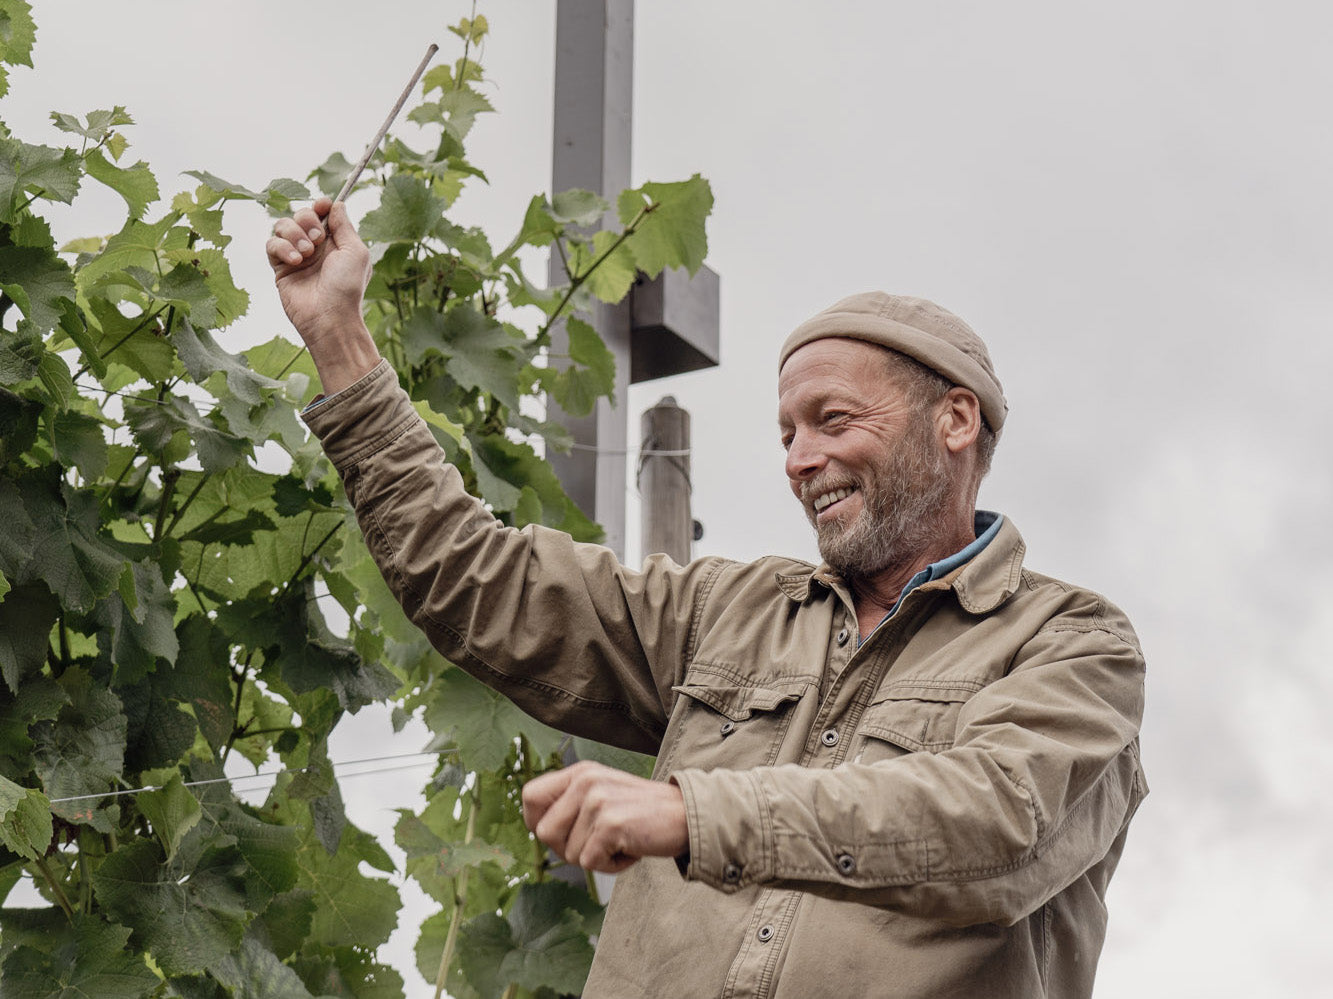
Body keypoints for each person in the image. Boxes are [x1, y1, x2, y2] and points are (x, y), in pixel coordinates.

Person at [268, 197, 1147, 998]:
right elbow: (476, 578)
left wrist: (695, 812)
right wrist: (338, 335)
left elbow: (998, 824)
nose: (800, 459)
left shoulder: (1072, 644)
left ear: (954, 421)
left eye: (833, 421)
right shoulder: (729, 610)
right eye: (787, 433)